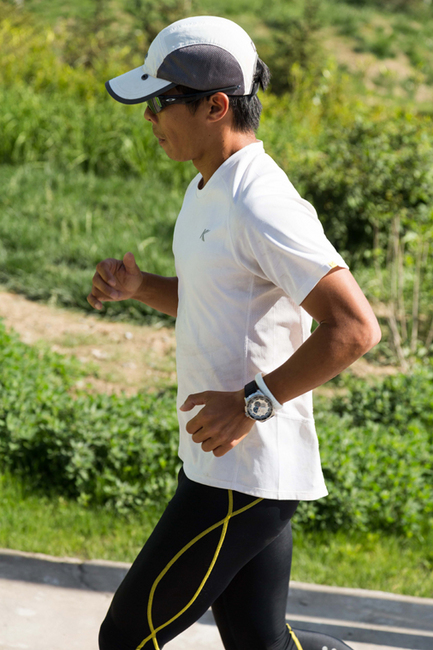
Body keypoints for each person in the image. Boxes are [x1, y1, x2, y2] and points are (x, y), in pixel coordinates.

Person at [88, 15, 381, 650]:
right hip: (223, 463)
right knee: (261, 644)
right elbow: (217, 300)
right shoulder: (208, 186)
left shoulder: (260, 202)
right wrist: (141, 288)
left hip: (241, 475)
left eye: (161, 101)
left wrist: (252, 404)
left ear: (216, 106)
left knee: (125, 639)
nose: (149, 117)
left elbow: (355, 328)